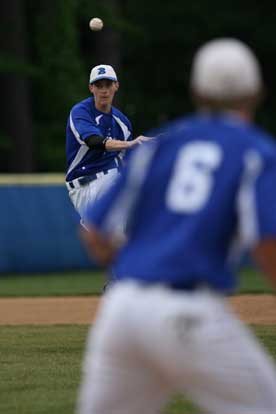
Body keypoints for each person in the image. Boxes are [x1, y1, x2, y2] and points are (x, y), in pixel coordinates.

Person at [77, 39, 276, 414]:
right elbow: (267, 244)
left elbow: (97, 238)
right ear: (256, 93)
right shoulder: (256, 151)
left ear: (197, 91)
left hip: (121, 312)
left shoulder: (158, 147)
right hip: (187, 309)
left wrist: (146, 256)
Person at [65, 64, 148, 221]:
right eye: (99, 85)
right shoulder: (81, 111)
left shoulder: (122, 121)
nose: (104, 90)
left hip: (109, 180)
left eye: (108, 84)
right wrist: (131, 144)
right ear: (91, 88)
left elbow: (126, 161)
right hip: (85, 187)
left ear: (116, 86)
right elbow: (93, 141)